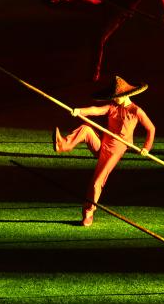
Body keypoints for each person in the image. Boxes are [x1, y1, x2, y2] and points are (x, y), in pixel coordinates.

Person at [44, 0, 164, 81]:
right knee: (82, 2)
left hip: (119, 14)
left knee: (98, 39)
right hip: (108, 4)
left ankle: (94, 74)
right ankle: (52, 1)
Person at [53, 76, 155, 226]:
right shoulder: (112, 106)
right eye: (113, 97)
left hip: (115, 151)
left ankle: (89, 213)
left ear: (126, 95)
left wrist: (146, 148)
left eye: (117, 97)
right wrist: (79, 111)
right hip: (103, 146)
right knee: (86, 129)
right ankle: (63, 145)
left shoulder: (136, 111)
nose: (115, 99)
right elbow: (96, 110)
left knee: (97, 183)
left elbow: (151, 129)